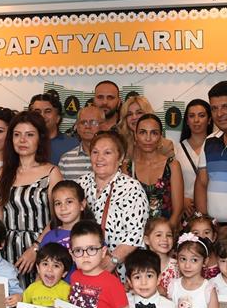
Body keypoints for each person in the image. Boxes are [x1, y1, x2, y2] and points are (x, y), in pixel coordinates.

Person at [0, 110, 63, 282]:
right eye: (17, 135)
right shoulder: (3, 172)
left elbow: (57, 218)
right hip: (6, 249)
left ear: (40, 139)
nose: (22, 140)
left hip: (41, 251)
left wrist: (36, 248)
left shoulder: (52, 172)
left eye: (29, 135)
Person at [78, 131, 149, 276]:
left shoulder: (131, 188)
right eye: (95, 152)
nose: (99, 158)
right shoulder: (80, 184)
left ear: (120, 158)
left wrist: (112, 260)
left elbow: (136, 233)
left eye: (107, 153)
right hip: (83, 266)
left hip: (119, 270)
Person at [195, 81, 227, 229]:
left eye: (226, 107)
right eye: (214, 108)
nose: (219, 114)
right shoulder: (209, 141)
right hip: (213, 228)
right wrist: (204, 222)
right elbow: (202, 183)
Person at [128, 114, 184, 231]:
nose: (148, 138)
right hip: (135, 235)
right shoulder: (128, 167)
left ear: (160, 136)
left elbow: (178, 211)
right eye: (143, 132)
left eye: (154, 133)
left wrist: (163, 235)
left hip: (166, 236)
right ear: (135, 136)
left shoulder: (172, 166)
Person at [175, 99, 213, 219]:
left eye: (201, 115)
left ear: (209, 120)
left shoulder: (217, 148)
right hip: (186, 213)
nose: (196, 120)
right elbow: (169, 182)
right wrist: (181, 199)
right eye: (191, 116)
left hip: (212, 211)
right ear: (187, 121)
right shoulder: (176, 150)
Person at [41, 179, 92, 251]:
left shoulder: (93, 234)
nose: (63, 208)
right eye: (58, 203)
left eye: (69, 202)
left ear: (82, 204)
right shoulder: (49, 237)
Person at [30, 91, 79, 165]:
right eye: (37, 112)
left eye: (48, 111)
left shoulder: (73, 145)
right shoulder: (23, 143)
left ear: (58, 118)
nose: (42, 116)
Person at [59, 104, 104, 182]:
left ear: (103, 126)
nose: (88, 127)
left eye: (93, 122)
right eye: (83, 122)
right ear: (77, 127)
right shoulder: (66, 160)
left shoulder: (112, 157)